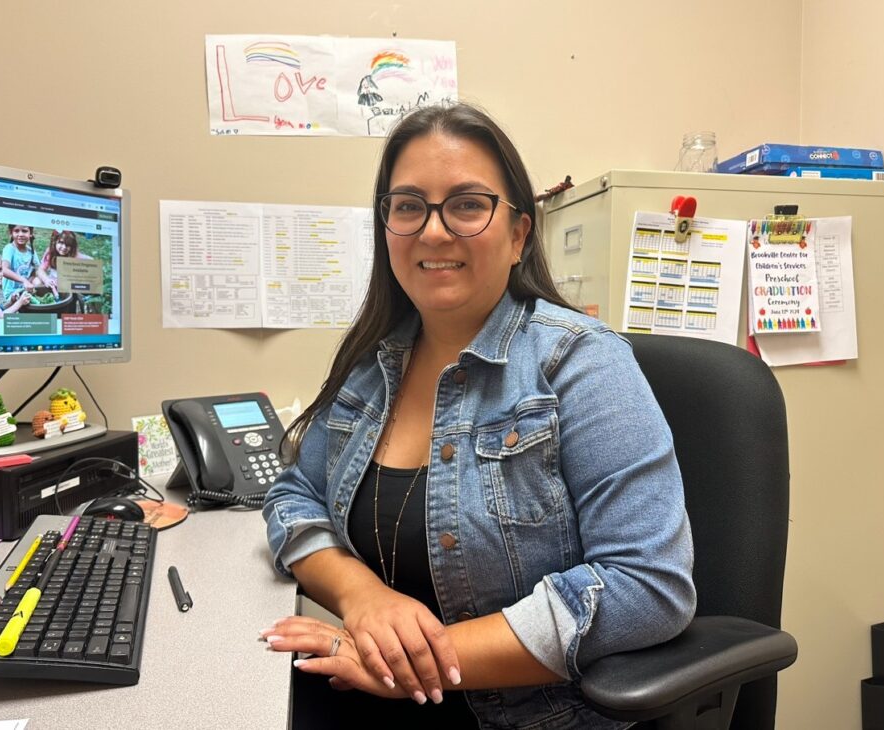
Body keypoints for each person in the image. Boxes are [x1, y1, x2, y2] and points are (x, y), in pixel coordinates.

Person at [261, 103, 696, 730]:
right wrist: (362, 597)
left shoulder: (581, 363)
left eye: (467, 205)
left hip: (534, 716)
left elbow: (650, 586)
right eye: (409, 206)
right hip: (387, 692)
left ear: (518, 233)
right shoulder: (374, 363)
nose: (433, 232)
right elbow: (293, 495)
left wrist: (411, 661)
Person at [1, 224, 52, 302]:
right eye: (16, 231)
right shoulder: (9, 249)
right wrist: (24, 281)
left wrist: (46, 280)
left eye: (24, 231)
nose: (20, 234)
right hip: (12, 292)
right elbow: (4, 270)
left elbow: (37, 270)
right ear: (11, 233)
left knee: (38, 281)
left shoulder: (31, 251)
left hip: (27, 289)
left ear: (30, 233)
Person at [37, 229, 92, 296]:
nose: (64, 247)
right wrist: (46, 280)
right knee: (37, 281)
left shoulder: (75, 256)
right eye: (61, 243)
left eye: (68, 245)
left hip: (68, 287)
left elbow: (90, 261)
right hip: (53, 284)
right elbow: (40, 270)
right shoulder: (50, 252)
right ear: (55, 241)